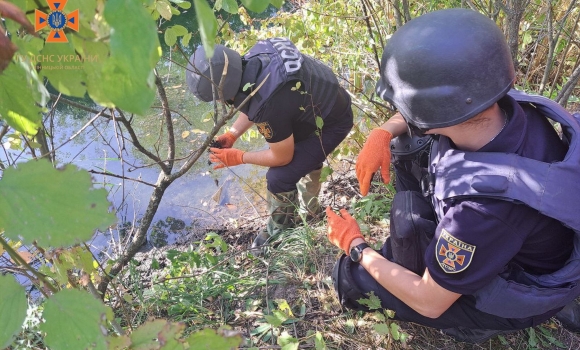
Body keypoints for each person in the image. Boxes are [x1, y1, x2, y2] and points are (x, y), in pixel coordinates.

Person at [326, 8, 580, 343]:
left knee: (350, 276)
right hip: (522, 235)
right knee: (409, 144)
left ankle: (476, 321)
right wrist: (384, 132)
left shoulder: (480, 215)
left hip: (517, 283)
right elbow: (429, 116)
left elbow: (428, 301)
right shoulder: (510, 109)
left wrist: (356, 246)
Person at [186, 38, 353, 249]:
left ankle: (282, 230)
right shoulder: (256, 56)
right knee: (299, 154)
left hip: (332, 122)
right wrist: (233, 134)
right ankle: (311, 210)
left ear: (222, 93)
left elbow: (282, 156)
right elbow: (254, 99)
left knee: (279, 177)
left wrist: (239, 157)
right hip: (322, 103)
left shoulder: (269, 105)